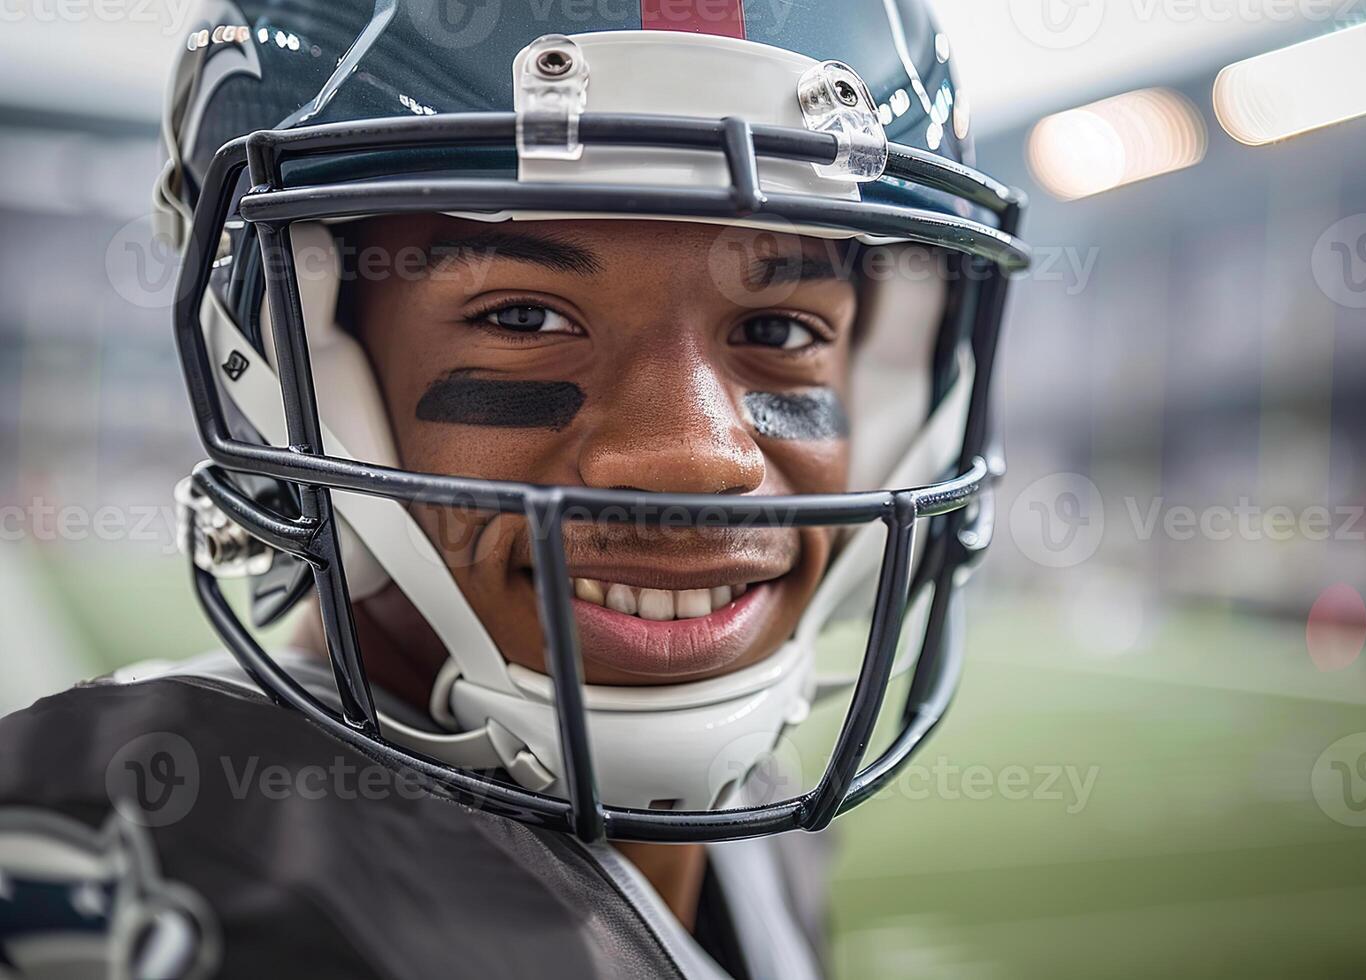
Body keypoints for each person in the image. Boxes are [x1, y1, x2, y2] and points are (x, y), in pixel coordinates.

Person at [0, 3, 1028, 977]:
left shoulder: (765, 821)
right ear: (288, 369)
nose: (693, 457)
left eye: (778, 330)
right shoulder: (190, 864)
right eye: (525, 317)